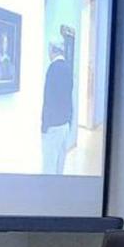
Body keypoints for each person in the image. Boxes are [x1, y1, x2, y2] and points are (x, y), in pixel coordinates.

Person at [41, 40, 74, 174]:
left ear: (53, 50)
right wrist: (70, 120)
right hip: (65, 124)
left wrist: (44, 125)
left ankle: (48, 194)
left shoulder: (52, 69)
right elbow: (68, 97)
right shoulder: (68, 68)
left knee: (49, 166)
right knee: (60, 166)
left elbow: (48, 99)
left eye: (49, 50)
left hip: (53, 125)